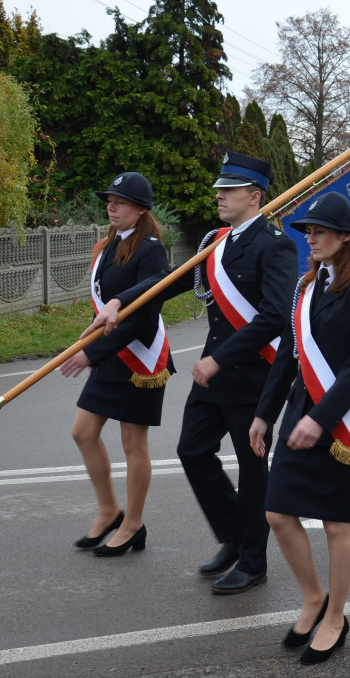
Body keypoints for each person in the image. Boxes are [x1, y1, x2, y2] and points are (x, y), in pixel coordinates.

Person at [86, 152, 297, 591]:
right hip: (214, 374)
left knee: (252, 468)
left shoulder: (275, 245)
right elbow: (169, 280)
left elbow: (274, 316)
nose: (219, 195)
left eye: (229, 190)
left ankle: (253, 561)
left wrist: (220, 358)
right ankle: (233, 536)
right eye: (219, 188)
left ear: (254, 196)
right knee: (192, 450)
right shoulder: (216, 242)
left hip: (251, 375)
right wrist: (119, 302)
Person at [249, 192, 350, 665]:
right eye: (307, 231)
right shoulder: (306, 285)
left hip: (341, 419)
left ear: (347, 238)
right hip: (299, 413)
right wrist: (263, 414)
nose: (310, 238)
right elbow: (289, 355)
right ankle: (313, 597)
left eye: (320, 231)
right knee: (278, 513)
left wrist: (320, 419)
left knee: (336, 523)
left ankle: (336, 616)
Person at [61, 171, 174, 556]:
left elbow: (143, 316)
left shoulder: (152, 250)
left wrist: (91, 353)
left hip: (140, 359)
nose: (111, 206)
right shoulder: (109, 246)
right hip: (111, 354)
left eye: (120, 201)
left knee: (133, 444)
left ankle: (133, 523)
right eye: (109, 199)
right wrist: (93, 341)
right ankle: (109, 509)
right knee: (83, 432)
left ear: (141, 210)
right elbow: (106, 305)